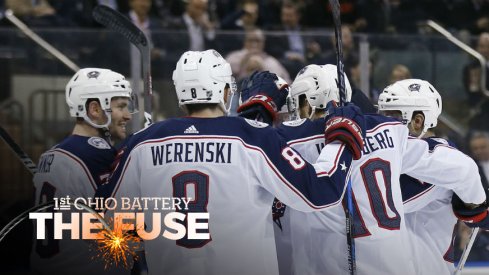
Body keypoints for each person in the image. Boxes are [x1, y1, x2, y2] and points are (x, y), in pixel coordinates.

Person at [100, 49, 365, 275]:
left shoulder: (141, 142)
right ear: (226, 92)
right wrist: (341, 138)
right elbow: (319, 192)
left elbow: (103, 219)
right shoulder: (254, 136)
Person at [238, 67, 487, 275]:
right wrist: (476, 207)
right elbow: (464, 169)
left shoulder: (287, 140)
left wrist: (256, 116)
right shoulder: (388, 132)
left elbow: (246, 153)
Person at [378, 78, 489, 275]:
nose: (383, 123)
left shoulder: (441, 160)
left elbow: (382, 202)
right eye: (382, 114)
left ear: (418, 120)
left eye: (393, 115)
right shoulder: (382, 154)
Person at [30, 68, 133, 275]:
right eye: (121, 106)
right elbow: (125, 227)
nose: (128, 115)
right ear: (95, 109)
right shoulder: (99, 156)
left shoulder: (49, 155)